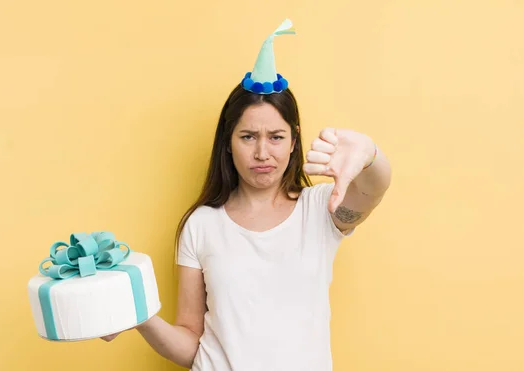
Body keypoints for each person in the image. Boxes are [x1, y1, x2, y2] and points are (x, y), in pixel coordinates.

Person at [101, 19, 391, 371]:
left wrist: (370, 154)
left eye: (276, 137)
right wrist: (140, 317)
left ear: (294, 140)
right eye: (248, 136)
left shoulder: (320, 209)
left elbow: (372, 189)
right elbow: (191, 342)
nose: (262, 153)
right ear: (228, 142)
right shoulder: (201, 224)